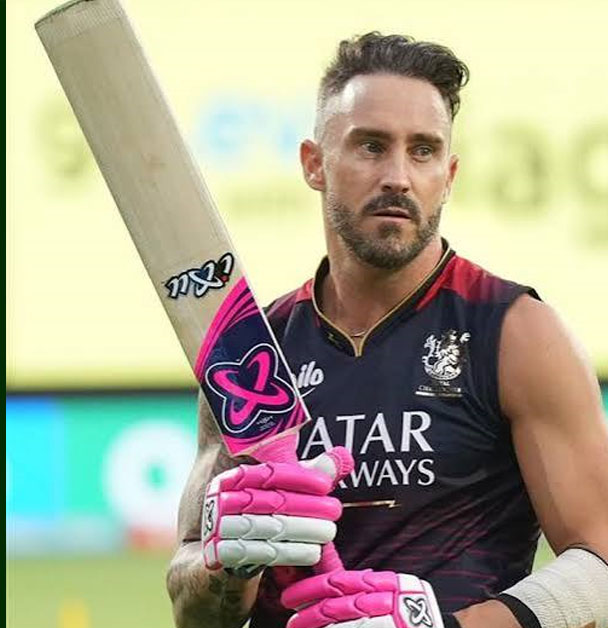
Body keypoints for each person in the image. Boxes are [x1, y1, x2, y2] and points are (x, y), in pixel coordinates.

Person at [166, 33, 608, 628]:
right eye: (371, 146)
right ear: (314, 163)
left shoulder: (516, 331)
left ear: (448, 175)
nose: (398, 176)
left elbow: (600, 566)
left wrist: (442, 626)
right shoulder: (254, 351)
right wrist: (227, 563)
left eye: (423, 151)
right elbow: (193, 610)